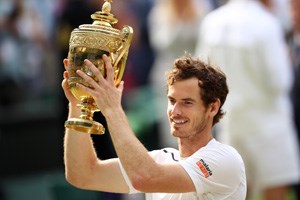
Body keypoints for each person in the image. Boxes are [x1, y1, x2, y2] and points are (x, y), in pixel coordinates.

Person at [62, 54, 247, 199]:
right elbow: (83, 174)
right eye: (172, 101)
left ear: (213, 107)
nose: (175, 111)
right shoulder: (160, 159)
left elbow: (145, 177)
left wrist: (112, 109)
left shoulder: (225, 159)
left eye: (187, 103)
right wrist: (77, 106)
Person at [195, 0, 300, 199]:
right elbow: (280, 82)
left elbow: (202, 76)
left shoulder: (212, 21)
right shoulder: (266, 23)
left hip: (231, 122)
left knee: (236, 190)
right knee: (274, 191)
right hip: (270, 125)